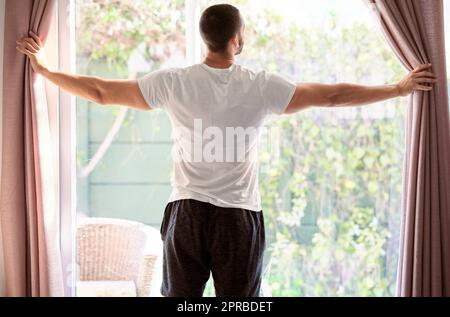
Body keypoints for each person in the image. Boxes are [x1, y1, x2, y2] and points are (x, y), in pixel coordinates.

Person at [16, 4, 436, 297]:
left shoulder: (174, 82)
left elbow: (101, 91)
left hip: (187, 215)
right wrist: (396, 89)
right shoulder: (260, 84)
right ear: (237, 39)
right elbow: (330, 96)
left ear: (206, 39)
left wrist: (46, 70)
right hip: (237, 217)